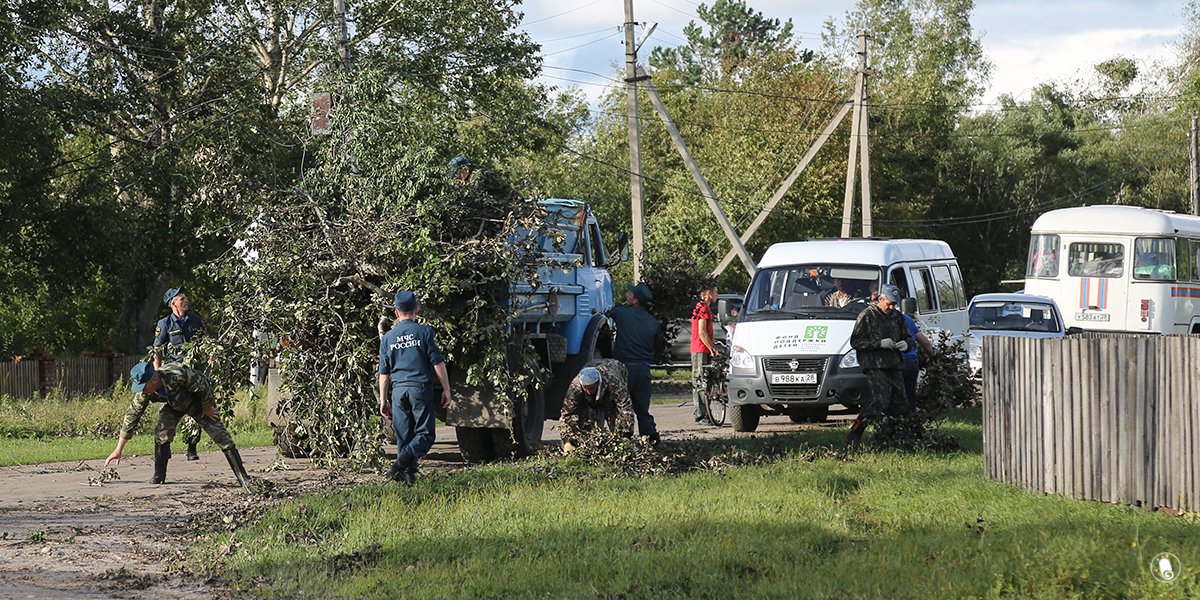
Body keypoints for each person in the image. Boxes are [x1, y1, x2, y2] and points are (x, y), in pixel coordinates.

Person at [104, 362, 253, 487]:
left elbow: (203, 385)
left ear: (154, 380)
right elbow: (132, 415)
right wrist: (118, 449)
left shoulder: (177, 374)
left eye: (144, 386)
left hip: (197, 402)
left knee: (220, 435)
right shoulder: (146, 392)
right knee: (162, 432)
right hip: (172, 405)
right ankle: (159, 475)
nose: (142, 390)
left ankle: (242, 477)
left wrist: (207, 407)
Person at [378, 290, 453, 485]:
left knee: (404, 437)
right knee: (426, 435)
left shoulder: (387, 338)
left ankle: (406, 482)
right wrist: (446, 389)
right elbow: (438, 362)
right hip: (419, 389)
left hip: (398, 392)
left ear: (396, 312)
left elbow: (384, 373)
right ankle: (401, 464)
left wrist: (383, 399)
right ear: (417, 310)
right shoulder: (425, 332)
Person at [846, 284, 914, 448]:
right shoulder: (867, 316)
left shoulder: (897, 317)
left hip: (894, 364)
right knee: (880, 400)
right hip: (874, 365)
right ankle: (856, 431)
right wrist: (879, 343)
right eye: (889, 303)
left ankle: (892, 438)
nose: (891, 307)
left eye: (894, 304)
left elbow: (909, 338)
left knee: (901, 404)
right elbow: (855, 341)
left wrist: (906, 344)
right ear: (880, 299)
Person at [153, 287, 206, 462]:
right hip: (173, 375)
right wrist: (158, 372)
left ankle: (191, 447)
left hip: (193, 373)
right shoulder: (165, 324)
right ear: (173, 303)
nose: (186, 300)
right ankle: (165, 446)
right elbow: (157, 350)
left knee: (195, 408)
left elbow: (206, 342)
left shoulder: (196, 321)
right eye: (182, 298)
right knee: (170, 410)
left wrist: (212, 357)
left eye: (185, 297)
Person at [606, 282, 663, 445]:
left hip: (624, 369)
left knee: (619, 406)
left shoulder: (622, 313)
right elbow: (658, 345)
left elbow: (607, 314)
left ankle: (621, 439)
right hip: (643, 370)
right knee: (642, 408)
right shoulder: (653, 322)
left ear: (636, 300)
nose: (627, 296)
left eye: (630, 294)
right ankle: (650, 438)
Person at [559, 360, 636, 454]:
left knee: (615, 418)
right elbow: (567, 413)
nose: (588, 391)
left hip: (615, 371)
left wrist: (626, 433)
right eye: (585, 388)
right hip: (592, 385)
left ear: (597, 383)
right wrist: (567, 441)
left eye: (591, 388)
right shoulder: (576, 386)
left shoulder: (614, 381)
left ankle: (620, 445)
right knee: (585, 420)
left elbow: (625, 407)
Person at [690, 284, 720, 426]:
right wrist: (712, 347)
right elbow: (702, 332)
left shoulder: (703, 307)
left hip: (702, 349)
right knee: (700, 381)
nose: (717, 295)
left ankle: (705, 413)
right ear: (708, 293)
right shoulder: (702, 309)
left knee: (704, 381)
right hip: (700, 349)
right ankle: (701, 414)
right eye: (715, 292)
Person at [899, 313, 937, 412]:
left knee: (897, 395)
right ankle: (911, 418)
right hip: (911, 361)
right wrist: (933, 356)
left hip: (897, 363)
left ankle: (898, 420)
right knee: (910, 393)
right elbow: (925, 342)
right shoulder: (908, 319)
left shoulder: (885, 320)